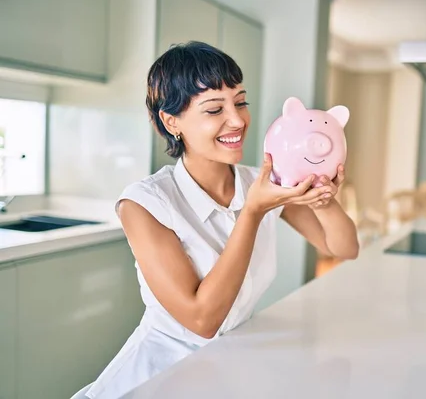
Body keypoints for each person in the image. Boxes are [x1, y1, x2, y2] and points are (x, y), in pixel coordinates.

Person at [83, 41, 359, 398]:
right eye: (215, 109)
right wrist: (253, 212)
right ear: (171, 122)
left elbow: (343, 247)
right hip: (160, 371)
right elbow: (202, 320)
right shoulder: (144, 203)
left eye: (240, 102)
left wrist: (322, 197)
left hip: (231, 363)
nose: (238, 120)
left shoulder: (259, 183)